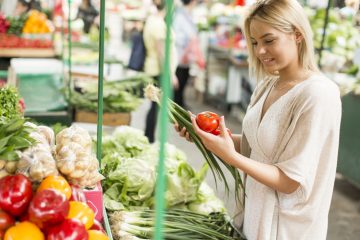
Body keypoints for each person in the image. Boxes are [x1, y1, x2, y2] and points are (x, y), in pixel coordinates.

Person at [175, 0, 342, 239]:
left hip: (286, 228)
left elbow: (290, 181)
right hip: (254, 216)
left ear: (297, 34)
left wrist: (229, 156)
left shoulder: (318, 94)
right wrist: (205, 136)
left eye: (269, 40)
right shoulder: (267, 85)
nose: (259, 51)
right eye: (254, 42)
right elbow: (259, 148)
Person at [144, 0, 178, 143]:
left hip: (153, 67)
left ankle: (148, 136)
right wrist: (170, 75)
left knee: (154, 106)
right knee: (156, 106)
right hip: (159, 70)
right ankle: (149, 137)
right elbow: (161, 52)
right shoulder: (158, 24)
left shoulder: (152, 20)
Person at [172, 0, 200, 108]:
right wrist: (188, 41)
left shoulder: (189, 14)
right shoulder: (179, 16)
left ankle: (180, 102)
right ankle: (177, 104)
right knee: (180, 79)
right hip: (180, 54)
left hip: (187, 56)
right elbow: (176, 35)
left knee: (185, 77)